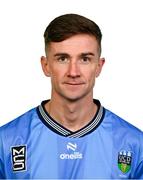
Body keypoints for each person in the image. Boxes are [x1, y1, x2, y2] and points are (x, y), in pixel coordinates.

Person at [0, 13, 143, 179]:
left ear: (99, 66)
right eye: (62, 59)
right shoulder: (6, 141)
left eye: (84, 59)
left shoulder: (135, 144)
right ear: (46, 66)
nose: (73, 72)